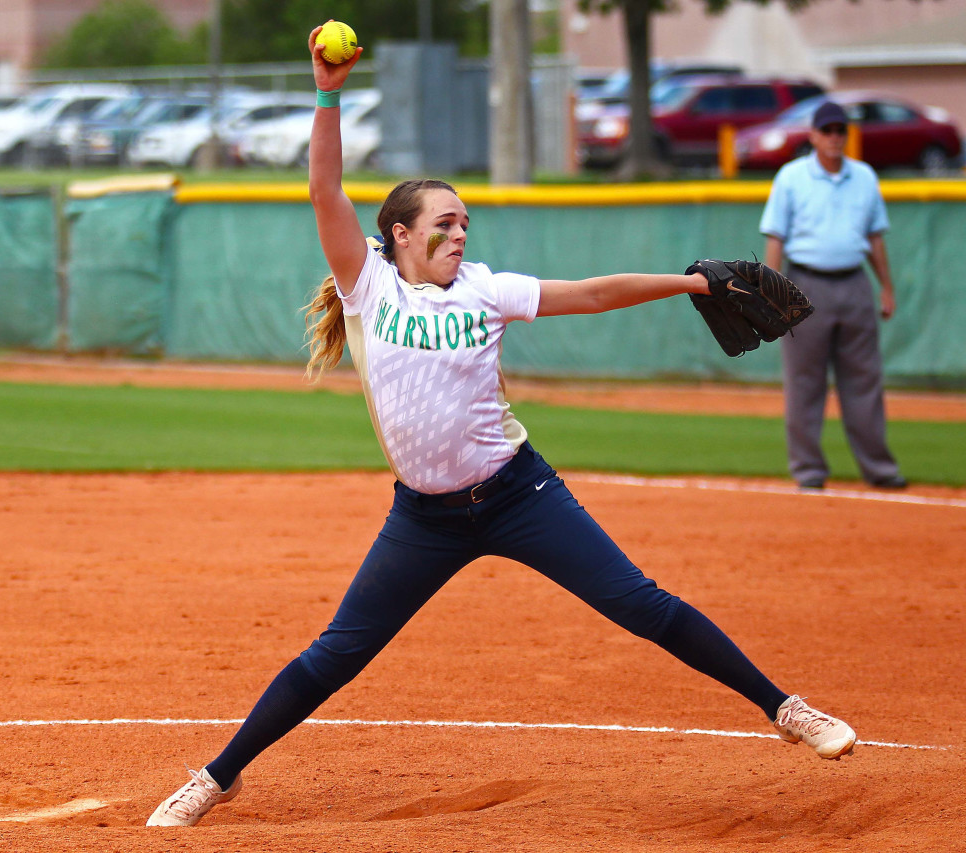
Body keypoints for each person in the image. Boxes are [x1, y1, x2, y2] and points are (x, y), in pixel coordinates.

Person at [145, 26, 857, 828]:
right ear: (400, 235)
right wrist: (327, 92)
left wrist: (690, 281)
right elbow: (323, 190)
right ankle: (218, 774)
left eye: (466, 223)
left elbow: (590, 292)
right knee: (337, 653)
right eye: (444, 223)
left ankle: (787, 708)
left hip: (520, 493)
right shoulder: (369, 285)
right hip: (424, 517)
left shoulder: (485, 288)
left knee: (641, 603)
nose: (459, 234)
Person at [761, 100, 906, 491]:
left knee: (864, 380)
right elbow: (776, 237)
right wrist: (774, 294)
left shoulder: (864, 177)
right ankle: (808, 472)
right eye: (827, 130)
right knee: (805, 382)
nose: (835, 137)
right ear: (812, 135)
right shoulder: (791, 177)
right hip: (804, 284)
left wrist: (886, 288)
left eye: (841, 130)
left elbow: (875, 238)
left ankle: (879, 469)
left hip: (855, 283)